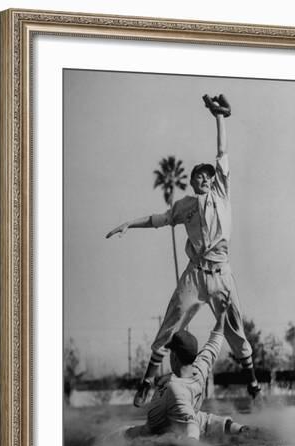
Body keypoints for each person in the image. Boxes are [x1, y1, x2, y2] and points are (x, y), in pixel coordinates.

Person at [106, 94, 260, 406]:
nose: (204, 177)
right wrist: (128, 224)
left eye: (207, 174)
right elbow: (159, 220)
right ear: (191, 182)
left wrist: (218, 117)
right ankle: (147, 380)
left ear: (213, 180)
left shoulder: (221, 193)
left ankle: (254, 382)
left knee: (235, 327)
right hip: (196, 272)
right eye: (198, 175)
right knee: (172, 319)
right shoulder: (186, 206)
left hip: (222, 272)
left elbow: (222, 151)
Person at [125, 294, 248, 441]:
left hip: (159, 432)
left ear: (175, 357)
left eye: (171, 352)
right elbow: (216, 337)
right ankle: (240, 430)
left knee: (130, 435)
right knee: (205, 419)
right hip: (185, 415)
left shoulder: (175, 388)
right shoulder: (201, 365)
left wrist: (191, 443)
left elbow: (191, 426)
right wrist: (221, 314)